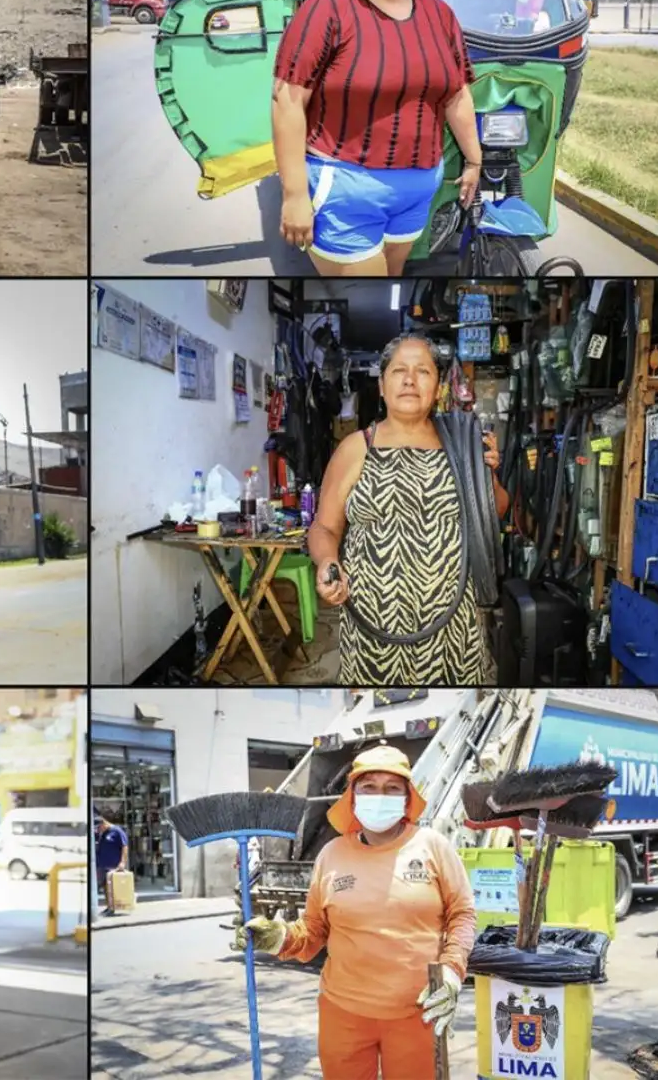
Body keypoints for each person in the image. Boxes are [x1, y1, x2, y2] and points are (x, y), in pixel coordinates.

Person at [271, 0, 484, 276]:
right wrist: (294, 194)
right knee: (365, 291)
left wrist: (473, 160)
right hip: (345, 188)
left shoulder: (440, 15)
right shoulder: (326, 10)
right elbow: (287, 102)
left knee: (392, 278)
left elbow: (457, 95)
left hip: (418, 190)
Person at [236, 745, 475, 1079]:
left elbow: (462, 914)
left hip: (418, 1012)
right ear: (352, 796)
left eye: (392, 788)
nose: (380, 796)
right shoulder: (331, 855)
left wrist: (451, 970)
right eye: (369, 787)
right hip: (343, 1014)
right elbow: (313, 930)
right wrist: (280, 937)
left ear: (407, 798)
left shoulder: (433, 847)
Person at [309, 333, 508, 684]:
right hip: (372, 621)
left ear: (439, 387)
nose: (410, 380)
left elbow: (496, 511)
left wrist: (487, 472)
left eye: (423, 371)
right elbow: (324, 527)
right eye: (399, 370)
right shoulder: (356, 448)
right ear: (382, 386)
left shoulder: (461, 444)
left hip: (453, 624)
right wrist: (327, 560)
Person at [95, 814, 130, 917]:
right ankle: (109, 907)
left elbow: (124, 846)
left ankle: (113, 908)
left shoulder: (117, 831)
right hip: (102, 864)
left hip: (113, 865)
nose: (98, 830)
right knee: (105, 887)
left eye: (99, 827)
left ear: (104, 823)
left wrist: (123, 862)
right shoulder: (103, 833)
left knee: (112, 888)